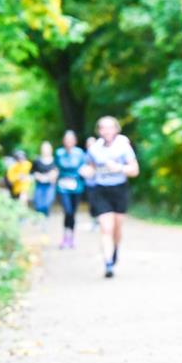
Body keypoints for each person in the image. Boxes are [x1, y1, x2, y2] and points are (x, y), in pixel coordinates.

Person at [81, 116, 139, 278]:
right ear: (99, 131)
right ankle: (108, 263)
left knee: (117, 228)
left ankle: (115, 251)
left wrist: (119, 168)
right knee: (106, 228)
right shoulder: (94, 149)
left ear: (116, 129)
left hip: (119, 190)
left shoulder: (123, 146)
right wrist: (87, 172)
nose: (106, 131)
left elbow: (135, 170)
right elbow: (89, 167)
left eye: (110, 127)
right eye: (103, 128)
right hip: (101, 190)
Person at [55, 130, 86, 249]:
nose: (68, 142)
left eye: (71, 139)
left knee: (73, 212)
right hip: (63, 186)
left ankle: (71, 237)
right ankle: (65, 236)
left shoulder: (80, 153)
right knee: (67, 211)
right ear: (64, 141)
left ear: (74, 141)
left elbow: (84, 167)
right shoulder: (59, 153)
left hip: (76, 185)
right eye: (66, 139)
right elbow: (56, 167)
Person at [31, 141, 58, 220]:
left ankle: (45, 218)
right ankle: (40, 219)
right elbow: (32, 172)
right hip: (40, 185)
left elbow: (57, 171)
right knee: (39, 203)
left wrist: (52, 175)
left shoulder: (55, 160)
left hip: (50, 185)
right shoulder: (37, 160)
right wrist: (38, 176)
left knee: (48, 202)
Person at [83, 136, 99, 231]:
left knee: (99, 203)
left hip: (100, 184)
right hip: (89, 184)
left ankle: (99, 221)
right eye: (89, 144)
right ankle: (94, 221)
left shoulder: (101, 154)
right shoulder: (85, 156)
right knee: (92, 203)